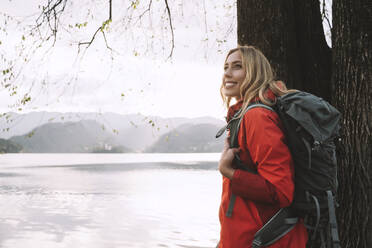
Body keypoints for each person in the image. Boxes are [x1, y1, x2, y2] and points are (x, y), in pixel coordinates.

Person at [217, 46, 308, 247]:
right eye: (226, 67)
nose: (227, 73)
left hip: (267, 241)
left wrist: (228, 171)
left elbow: (281, 191)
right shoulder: (243, 116)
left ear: (254, 72)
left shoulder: (257, 117)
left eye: (237, 67)